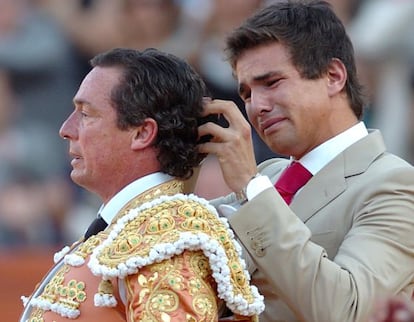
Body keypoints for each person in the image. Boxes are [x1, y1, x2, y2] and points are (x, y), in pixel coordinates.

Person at [197, 1, 414, 322]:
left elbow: (349, 310)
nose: (257, 106)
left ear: (333, 76)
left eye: (271, 83)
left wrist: (251, 188)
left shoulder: (395, 183)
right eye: (246, 94)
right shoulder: (268, 176)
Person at [19, 48, 264, 322]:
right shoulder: (135, 228)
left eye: (86, 114)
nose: (66, 129)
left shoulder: (168, 240)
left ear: (142, 133)